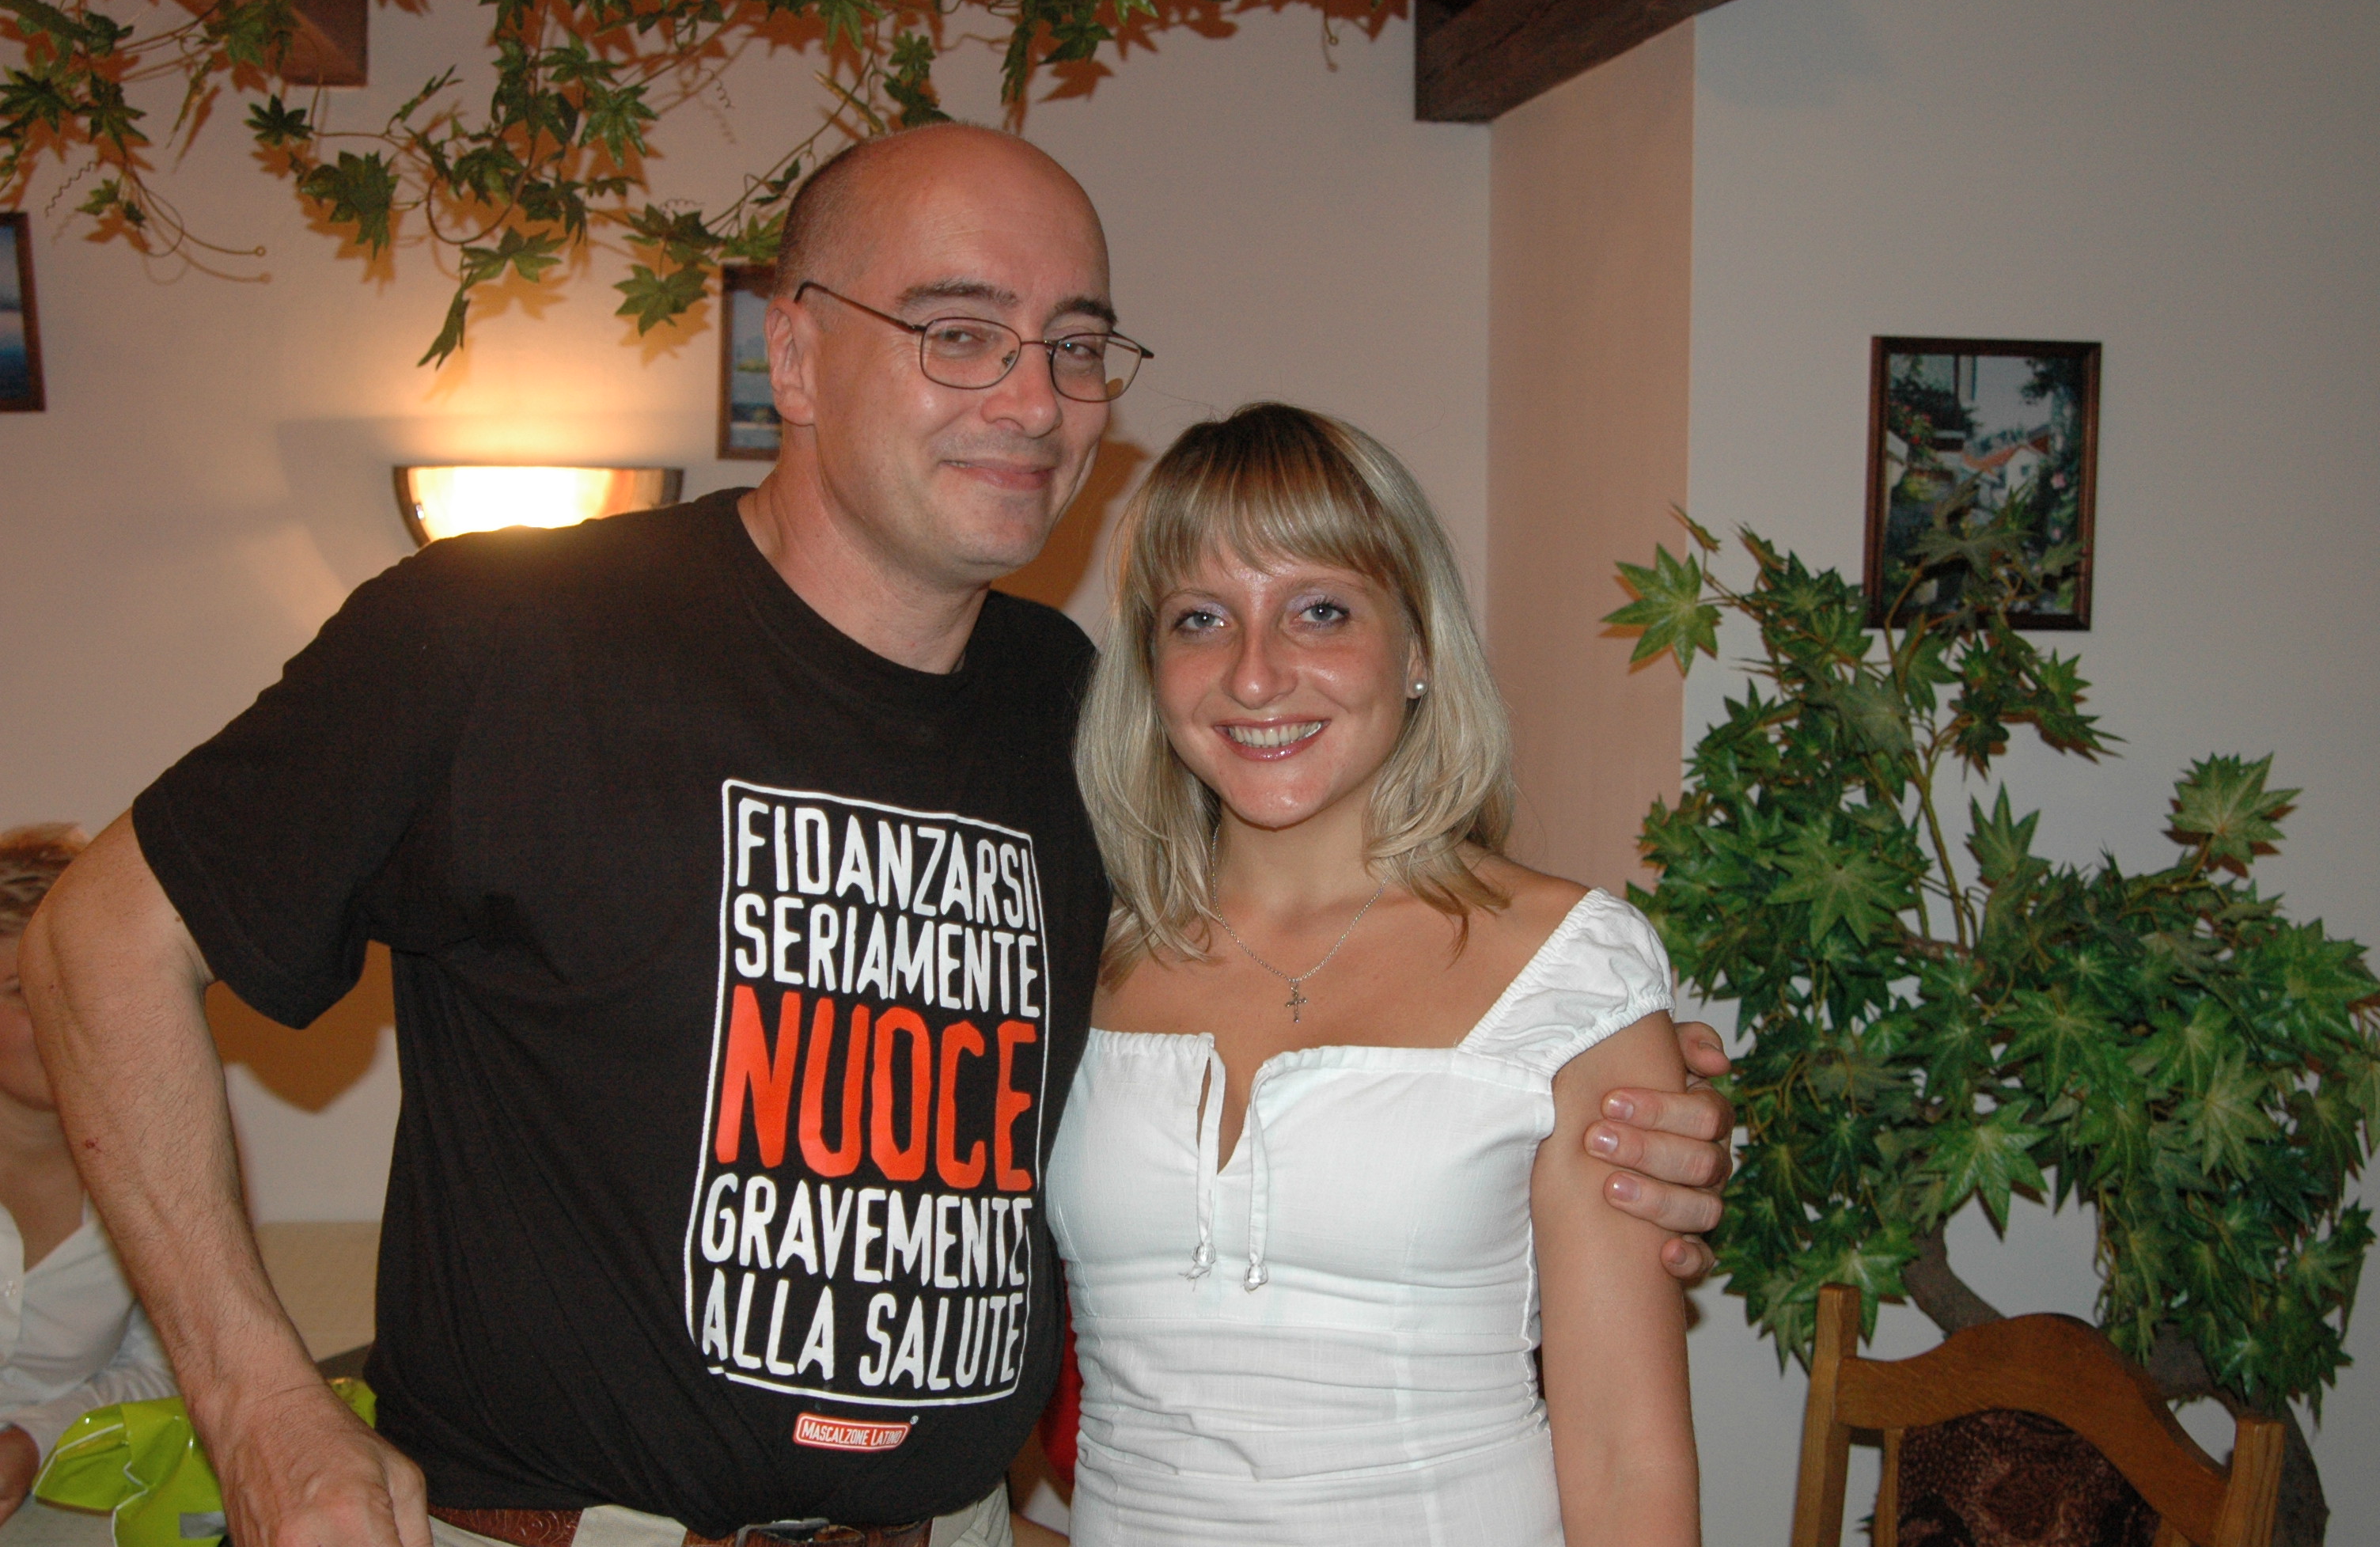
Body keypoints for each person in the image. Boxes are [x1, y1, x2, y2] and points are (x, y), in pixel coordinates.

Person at [21, 123, 1730, 1547]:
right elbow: (98, 939)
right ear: (796, 354)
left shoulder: (1084, 721)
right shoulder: (501, 637)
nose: (1035, 398)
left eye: (1075, 345)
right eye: (960, 331)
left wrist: (1604, 1083)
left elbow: (1320, 1007)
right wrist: (256, 1399)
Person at [1049, 404, 1697, 1544]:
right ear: (1149, 668)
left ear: (1419, 648)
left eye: (1319, 610)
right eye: (1200, 618)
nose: (1256, 675)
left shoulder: (1568, 970)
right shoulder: (1068, 949)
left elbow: (1624, 1462)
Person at [0, 825, 179, 1526]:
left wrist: (32, 1438)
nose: (60, 1011)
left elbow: (165, 1367)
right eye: (22, 990)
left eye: (82, 980)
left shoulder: (166, 1165)